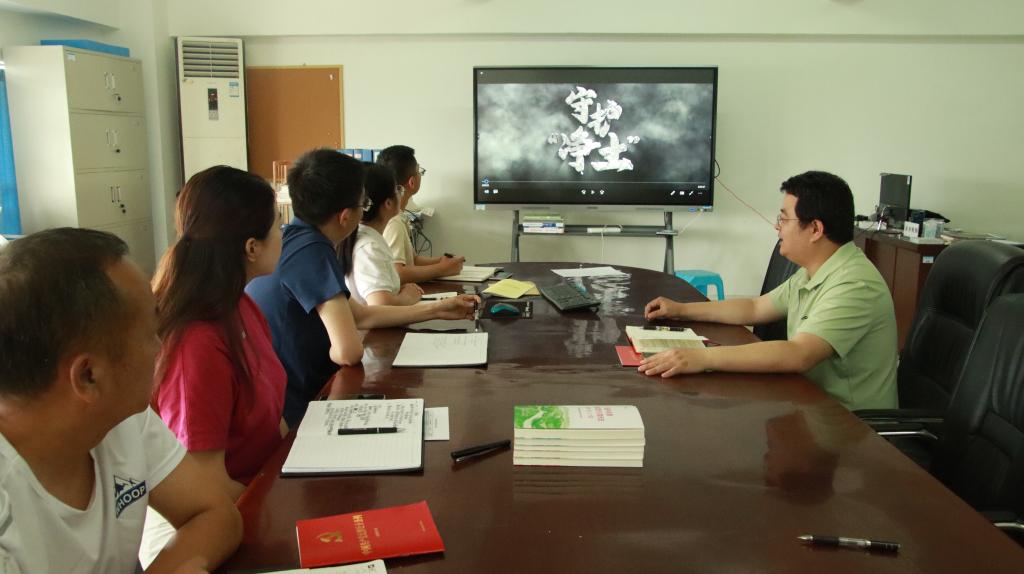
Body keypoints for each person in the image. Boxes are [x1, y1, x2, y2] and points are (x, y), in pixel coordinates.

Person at [0, 228, 241, 573]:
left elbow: (216, 513)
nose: (159, 347)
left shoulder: (119, 416)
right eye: (148, 334)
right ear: (89, 375)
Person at [246, 149, 479, 426]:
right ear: (345, 216)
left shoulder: (297, 238)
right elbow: (348, 352)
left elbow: (361, 314)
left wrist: (437, 309)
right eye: (363, 203)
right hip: (300, 407)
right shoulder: (313, 252)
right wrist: (335, 346)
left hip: (290, 394)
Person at [641, 171, 898, 411]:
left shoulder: (854, 285)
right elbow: (755, 308)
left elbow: (799, 354)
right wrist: (681, 309)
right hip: (810, 402)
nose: (777, 227)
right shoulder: (814, 271)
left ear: (815, 229)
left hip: (850, 423)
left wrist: (701, 358)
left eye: (784, 219)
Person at [139, 167, 287, 566]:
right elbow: (206, 483)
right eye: (277, 226)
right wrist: (287, 507)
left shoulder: (241, 304)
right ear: (251, 247)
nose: (283, 235)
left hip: (256, 495)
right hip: (206, 528)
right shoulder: (197, 341)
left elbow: (274, 418)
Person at [375, 145, 466, 282]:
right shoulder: (394, 222)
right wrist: (442, 269)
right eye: (419, 171)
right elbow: (398, 272)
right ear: (412, 182)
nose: (420, 175)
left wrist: (442, 261)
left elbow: (414, 260)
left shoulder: (398, 216)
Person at [340, 163, 423, 306]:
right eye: (397, 189)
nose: (401, 192)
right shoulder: (370, 246)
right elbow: (380, 304)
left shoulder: (368, 237)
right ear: (388, 203)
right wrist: (407, 297)